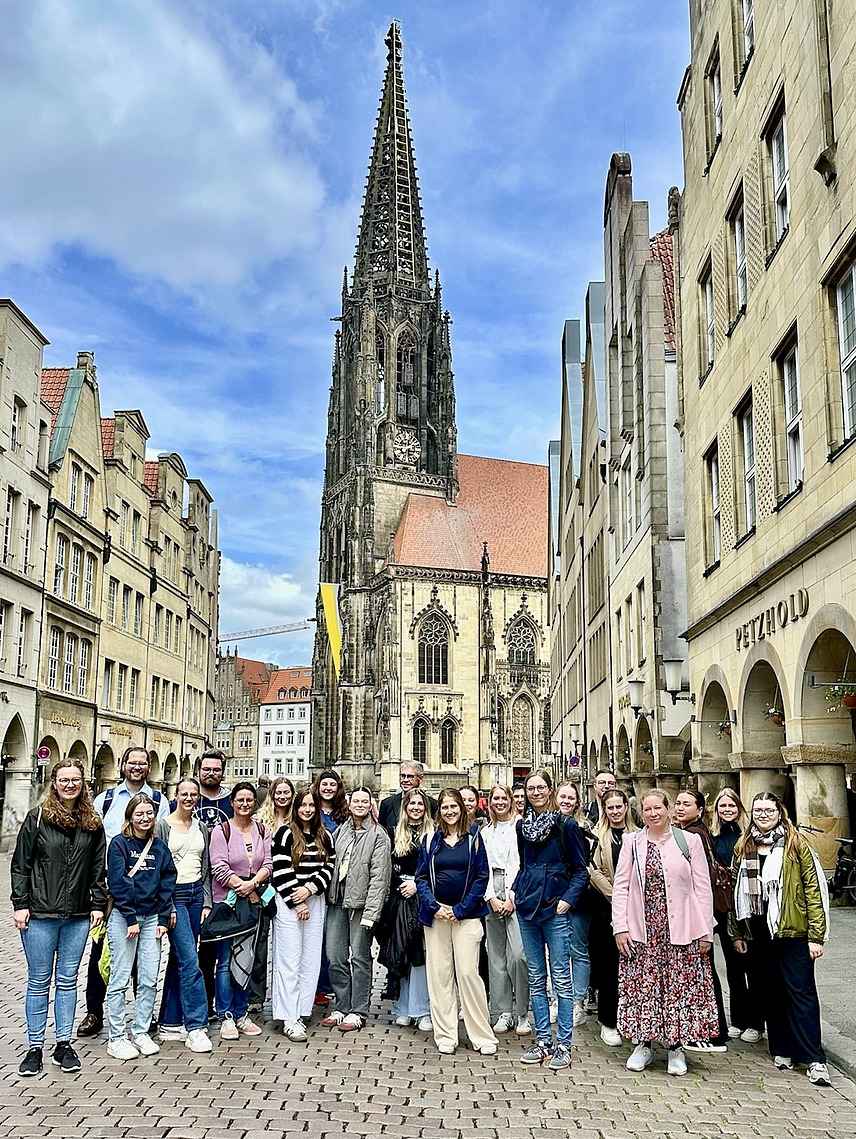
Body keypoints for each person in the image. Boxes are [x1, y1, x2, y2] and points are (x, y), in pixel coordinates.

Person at [612, 788, 717, 1077]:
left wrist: (705, 930)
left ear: (669, 809)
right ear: (641, 812)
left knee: (677, 989)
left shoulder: (689, 841)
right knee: (643, 987)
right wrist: (620, 927)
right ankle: (643, 1044)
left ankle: (676, 1047)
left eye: (658, 808)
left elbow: (702, 887)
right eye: (647, 809)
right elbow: (621, 887)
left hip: (680, 927)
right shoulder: (631, 842)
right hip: (642, 926)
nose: (653, 814)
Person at [12, 760, 107, 1076]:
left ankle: (63, 1044)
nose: (70, 785)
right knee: (39, 981)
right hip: (40, 913)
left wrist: (97, 904)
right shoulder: (37, 818)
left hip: (78, 915)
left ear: (83, 783)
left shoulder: (93, 822)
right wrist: (20, 904)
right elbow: (20, 864)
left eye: (75, 779)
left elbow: (97, 868)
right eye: (64, 779)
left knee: (67, 981)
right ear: (54, 782)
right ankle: (34, 1047)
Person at [731, 791, 830, 1086]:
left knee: (801, 993)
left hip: (792, 930)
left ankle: (813, 1058)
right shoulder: (744, 845)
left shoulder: (796, 844)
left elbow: (814, 890)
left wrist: (816, 935)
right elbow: (736, 892)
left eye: (768, 809)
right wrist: (738, 931)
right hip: (760, 931)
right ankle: (782, 1048)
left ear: (779, 811)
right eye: (757, 809)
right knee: (770, 990)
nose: (763, 814)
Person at [77, 746, 169, 1038]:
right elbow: (94, 844)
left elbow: (161, 844)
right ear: (123, 765)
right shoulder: (106, 800)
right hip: (109, 886)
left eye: (143, 763)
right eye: (132, 762)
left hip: (146, 890)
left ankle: (144, 1016)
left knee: (143, 959)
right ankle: (95, 1011)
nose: (137, 767)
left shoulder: (159, 800)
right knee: (101, 952)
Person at [510, 768, 588, 1071]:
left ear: (550, 789)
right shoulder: (522, 827)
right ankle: (543, 1039)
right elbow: (524, 863)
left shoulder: (566, 825)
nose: (536, 793)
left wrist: (567, 899)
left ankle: (563, 1044)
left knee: (562, 980)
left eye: (541, 787)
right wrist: (517, 890)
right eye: (531, 788)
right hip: (527, 906)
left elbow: (581, 869)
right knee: (535, 977)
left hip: (554, 906)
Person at [415, 788, 498, 1056]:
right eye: (444, 807)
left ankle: (481, 1034)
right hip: (436, 915)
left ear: (462, 809)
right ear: (438, 811)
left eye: (454, 806)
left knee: (468, 974)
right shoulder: (430, 840)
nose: (449, 811)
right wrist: (433, 905)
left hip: (467, 915)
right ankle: (446, 1033)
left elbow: (481, 876)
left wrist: (460, 909)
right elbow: (421, 878)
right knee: (439, 975)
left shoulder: (474, 838)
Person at [105, 794, 177, 1060]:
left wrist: (161, 917)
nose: (145, 818)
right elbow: (118, 881)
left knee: (148, 978)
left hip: (152, 919)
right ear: (130, 817)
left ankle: (141, 1030)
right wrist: (131, 917)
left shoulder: (158, 847)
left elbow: (167, 879)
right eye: (139, 814)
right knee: (120, 978)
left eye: (149, 814)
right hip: (126, 918)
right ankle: (117, 1037)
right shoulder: (119, 844)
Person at [322, 788, 391, 1031]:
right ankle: (341, 1005)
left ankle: (358, 1010)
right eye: (356, 801)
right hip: (337, 900)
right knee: (335, 955)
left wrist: (372, 912)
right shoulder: (341, 831)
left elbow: (379, 877)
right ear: (349, 805)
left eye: (365, 801)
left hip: (362, 905)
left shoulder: (379, 835)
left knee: (360, 958)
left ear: (371, 805)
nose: (360, 805)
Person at [209, 783, 272, 1040]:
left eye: (249, 800)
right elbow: (219, 867)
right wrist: (243, 886)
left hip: (252, 902)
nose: (245, 804)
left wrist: (254, 883)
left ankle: (241, 1013)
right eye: (240, 800)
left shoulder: (262, 830)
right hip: (228, 902)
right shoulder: (220, 831)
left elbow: (267, 863)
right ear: (232, 803)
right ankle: (225, 1015)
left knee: (246, 958)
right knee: (225, 962)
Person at [270, 784, 334, 1041]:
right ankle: (288, 1016)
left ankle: (303, 1009)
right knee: (289, 958)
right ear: (296, 808)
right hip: (289, 901)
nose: (307, 810)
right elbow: (280, 868)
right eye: (303, 805)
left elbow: (329, 867)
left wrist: (310, 889)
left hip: (314, 899)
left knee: (310, 958)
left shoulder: (324, 835)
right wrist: (297, 900)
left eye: (311, 805)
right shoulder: (285, 833)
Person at [155, 777, 213, 1053]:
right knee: (191, 960)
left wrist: (206, 901)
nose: (189, 798)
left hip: (195, 895)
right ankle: (196, 1025)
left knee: (180, 957)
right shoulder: (163, 826)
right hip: (175, 894)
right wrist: (165, 904)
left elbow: (206, 867)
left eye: (194, 794)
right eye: (184, 793)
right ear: (175, 795)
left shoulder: (201, 826)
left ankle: (169, 1020)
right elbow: (157, 868)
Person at [674, 788, 731, 1053]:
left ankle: (712, 1032)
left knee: (703, 970)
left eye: (687, 804)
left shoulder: (692, 834)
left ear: (699, 810)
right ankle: (713, 1029)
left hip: (695, 910)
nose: (680, 808)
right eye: (677, 803)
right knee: (705, 970)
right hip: (698, 910)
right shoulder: (697, 831)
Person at [377, 788, 434, 1030]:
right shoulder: (393, 832)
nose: (416, 808)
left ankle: (422, 1010)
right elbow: (385, 866)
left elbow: (435, 868)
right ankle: (402, 1007)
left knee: (421, 955)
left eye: (420, 804)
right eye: (412, 804)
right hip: (400, 899)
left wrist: (417, 885)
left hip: (422, 897)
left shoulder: (433, 834)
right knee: (401, 952)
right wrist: (402, 885)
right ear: (405, 807)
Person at [710, 787, 763, 1040]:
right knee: (732, 966)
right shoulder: (713, 837)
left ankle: (756, 1022)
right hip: (722, 907)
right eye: (723, 806)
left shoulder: (749, 836)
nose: (727, 810)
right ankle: (739, 1019)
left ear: (739, 809)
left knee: (751, 965)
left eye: (732, 806)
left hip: (746, 908)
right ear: (716, 811)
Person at [588, 788, 637, 1046]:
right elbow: (593, 869)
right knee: (609, 968)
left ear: (626, 808)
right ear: (604, 810)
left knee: (633, 967)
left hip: (637, 911)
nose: (616, 811)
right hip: (607, 908)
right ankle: (608, 1021)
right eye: (611, 807)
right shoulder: (597, 836)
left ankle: (633, 1019)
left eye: (620, 806)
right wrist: (617, 895)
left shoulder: (638, 836)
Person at [482, 785, 531, 1037]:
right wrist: (491, 896)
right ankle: (503, 1011)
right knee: (496, 956)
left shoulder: (520, 826)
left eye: (504, 798)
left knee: (519, 955)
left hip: (516, 890)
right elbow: (482, 867)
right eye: (495, 799)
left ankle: (522, 1011)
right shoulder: (485, 831)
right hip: (491, 890)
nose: (500, 802)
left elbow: (524, 863)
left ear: (511, 801)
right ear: (490, 803)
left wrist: (512, 896)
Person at [251, 777, 295, 1010]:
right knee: (259, 942)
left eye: (286, 792)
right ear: (271, 794)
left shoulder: (298, 819)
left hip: (289, 886)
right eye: (278, 792)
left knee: (288, 943)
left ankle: (285, 993)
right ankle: (256, 996)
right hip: (265, 886)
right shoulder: (260, 820)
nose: (282, 796)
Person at [556, 781, 594, 1028]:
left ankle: (578, 1002)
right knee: (557, 952)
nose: (566, 801)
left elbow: (585, 867)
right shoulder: (547, 824)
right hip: (553, 896)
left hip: (578, 897)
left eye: (571, 798)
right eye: (563, 797)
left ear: (577, 801)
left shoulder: (584, 828)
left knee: (578, 949)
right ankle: (559, 1000)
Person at [379, 761, 439, 835]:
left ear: (420, 779)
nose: (405, 780)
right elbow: (382, 833)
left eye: (410, 776)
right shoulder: (387, 804)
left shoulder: (432, 804)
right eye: (403, 776)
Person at [192, 750, 234, 828]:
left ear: (223, 772)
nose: (211, 773)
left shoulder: (233, 800)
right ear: (198, 771)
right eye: (206, 769)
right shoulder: (186, 799)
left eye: (216, 770)